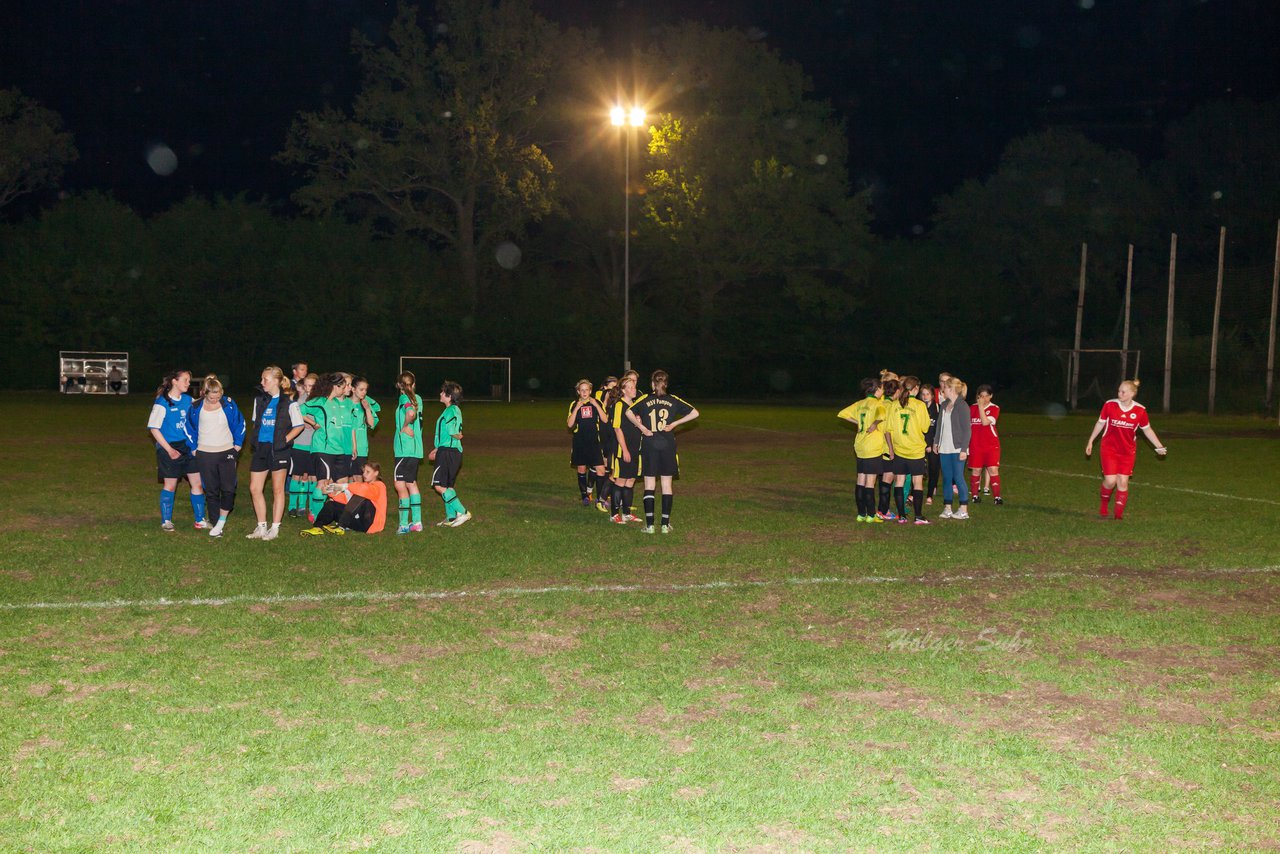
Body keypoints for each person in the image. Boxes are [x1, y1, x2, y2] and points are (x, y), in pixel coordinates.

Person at [626, 369, 699, 534]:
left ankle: (650, 525)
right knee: (666, 485)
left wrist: (642, 427)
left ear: (652, 384)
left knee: (649, 485)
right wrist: (674, 424)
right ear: (666, 384)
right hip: (667, 445)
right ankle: (665, 525)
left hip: (649, 444)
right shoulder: (673, 400)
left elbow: (628, 412)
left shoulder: (645, 399)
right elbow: (695, 412)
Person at [1085, 379, 1168, 520]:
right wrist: (1091, 441)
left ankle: (1118, 515)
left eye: (1123, 391)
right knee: (1110, 481)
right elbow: (1100, 424)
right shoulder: (1109, 405)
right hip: (1109, 449)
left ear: (1132, 394)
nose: (1120, 393)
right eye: (1119, 390)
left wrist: (1159, 446)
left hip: (1127, 452)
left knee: (1123, 482)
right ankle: (1104, 505)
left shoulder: (1140, 410)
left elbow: (1147, 430)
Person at [246, 366, 304, 540]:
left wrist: (285, 440)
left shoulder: (289, 403)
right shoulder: (260, 400)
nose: (262, 382)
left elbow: (299, 425)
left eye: (265, 379)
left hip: (279, 450)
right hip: (261, 449)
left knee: (278, 489)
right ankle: (261, 526)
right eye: (262, 379)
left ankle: (275, 528)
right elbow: (257, 423)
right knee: (254, 488)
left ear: (277, 381)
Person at [146, 369, 207, 531]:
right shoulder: (162, 403)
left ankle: (200, 520)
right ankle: (166, 521)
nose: (188, 383)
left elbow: (203, 411)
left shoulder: (188, 400)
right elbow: (153, 428)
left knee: (197, 484)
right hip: (169, 447)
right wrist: (169, 449)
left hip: (187, 447)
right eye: (185, 380)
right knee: (171, 485)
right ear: (175, 381)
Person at [187, 374, 245, 538]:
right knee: (211, 491)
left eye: (218, 396)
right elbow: (188, 427)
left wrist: (238, 445)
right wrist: (193, 448)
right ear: (205, 393)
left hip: (226, 451)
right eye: (212, 397)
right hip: (205, 454)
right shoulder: (196, 407)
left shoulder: (229, 404)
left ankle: (221, 521)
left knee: (228, 489)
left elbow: (240, 423)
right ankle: (216, 523)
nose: (215, 400)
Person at [837, 378, 890, 524]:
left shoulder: (859, 404)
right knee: (870, 482)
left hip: (859, 445)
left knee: (861, 478)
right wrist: (874, 423)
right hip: (872, 446)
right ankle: (871, 515)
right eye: (882, 389)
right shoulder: (877, 404)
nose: (883, 392)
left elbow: (842, 413)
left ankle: (861, 513)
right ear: (877, 390)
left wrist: (859, 422)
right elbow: (881, 415)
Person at [883, 377, 932, 524]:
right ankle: (918, 516)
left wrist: (891, 449)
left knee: (899, 481)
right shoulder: (919, 405)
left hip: (899, 450)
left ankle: (902, 516)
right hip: (916, 450)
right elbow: (925, 427)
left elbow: (888, 429)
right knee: (917, 483)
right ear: (916, 389)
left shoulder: (894, 405)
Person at [301, 462, 388, 535]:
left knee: (359, 496)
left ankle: (341, 526)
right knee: (331, 504)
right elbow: (347, 500)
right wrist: (331, 492)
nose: (364, 474)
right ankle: (317, 527)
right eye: (364, 471)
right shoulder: (363, 486)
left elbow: (363, 491)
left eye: (368, 472)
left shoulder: (380, 486)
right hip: (358, 522)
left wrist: (344, 486)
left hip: (370, 525)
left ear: (376, 473)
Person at [430, 380, 471, 527]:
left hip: (448, 452)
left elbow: (452, 430)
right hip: (448, 450)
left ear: (449, 396)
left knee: (439, 486)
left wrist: (457, 435)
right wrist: (437, 448)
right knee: (448, 486)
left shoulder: (451, 410)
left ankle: (463, 511)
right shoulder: (453, 410)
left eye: (443, 392)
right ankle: (451, 517)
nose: (440, 394)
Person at [567, 379, 609, 507]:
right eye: (582, 390)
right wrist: (577, 408)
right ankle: (584, 495)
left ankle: (599, 498)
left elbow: (605, 420)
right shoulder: (574, 404)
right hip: (580, 440)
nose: (584, 392)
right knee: (581, 468)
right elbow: (569, 424)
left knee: (601, 470)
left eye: (587, 390)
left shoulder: (597, 403)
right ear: (578, 392)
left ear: (591, 391)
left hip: (594, 440)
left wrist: (596, 405)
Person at [392, 371, 425, 533]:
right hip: (415, 448)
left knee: (399, 484)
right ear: (414, 384)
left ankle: (404, 524)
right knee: (411, 483)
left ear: (399, 385)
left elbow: (410, 413)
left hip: (404, 449)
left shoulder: (404, 398)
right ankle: (417, 522)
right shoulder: (418, 398)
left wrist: (404, 426)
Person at [608, 374, 643, 524]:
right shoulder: (619, 405)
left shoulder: (634, 406)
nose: (633, 389)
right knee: (620, 480)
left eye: (634, 386)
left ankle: (627, 513)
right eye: (630, 387)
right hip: (624, 449)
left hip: (636, 448)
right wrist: (625, 449)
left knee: (630, 481)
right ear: (623, 390)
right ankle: (614, 514)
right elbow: (617, 428)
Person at [935, 377, 972, 520]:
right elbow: (939, 425)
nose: (942, 388)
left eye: (944, 386)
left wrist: (964, 449)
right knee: (946, 479)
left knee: (958, 477)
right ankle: (948, 508)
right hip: (944, 448)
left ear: (951, 388)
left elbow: (967, 430)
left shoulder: (962, 406)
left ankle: (963, 509)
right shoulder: (944, 404)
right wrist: (936, 442)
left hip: (957, 448)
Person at [288, 373, 317, 519]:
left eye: (311, 385)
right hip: (299, 444)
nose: (308, 389)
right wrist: (308, 423)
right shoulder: (300, 400)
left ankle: (311, 507)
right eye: (306, 385)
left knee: (313, 477)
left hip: (315, 446)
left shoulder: (321, 401)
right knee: (297, 475)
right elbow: (296, 418)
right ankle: (293, 506)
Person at [969, 384, 1003, 505]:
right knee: (976, 470)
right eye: (981, 396)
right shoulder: (971, 408)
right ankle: (974, 495)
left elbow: (984, 422)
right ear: (978, 396)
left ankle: (997, 497)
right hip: (976, 445)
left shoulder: (994, 408)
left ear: (991, 396)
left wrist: (981, 407)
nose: (984, 399)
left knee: (993, 469)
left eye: (986, 396)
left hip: (991, 445)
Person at [350, 376, 381, 473]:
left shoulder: (365, 404)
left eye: (365, 390)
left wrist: (367, 409)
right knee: (347, 478)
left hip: (361, 447)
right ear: (353, 389)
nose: (364, 392)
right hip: (345, 446)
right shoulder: (345, 404)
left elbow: (372, 424)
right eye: (361, 389)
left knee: (359, 476)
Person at [920, 384, 941, 505]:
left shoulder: (938, 408)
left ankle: (929, 495)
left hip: (934, 444)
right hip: (920, 444)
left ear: (933, 395)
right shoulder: (918, 407)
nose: (925, 396)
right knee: (919, 470)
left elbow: (938, 428)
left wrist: (933, 444)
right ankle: (914, 492)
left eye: (927, 394)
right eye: (923, 394)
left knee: (933, 469)